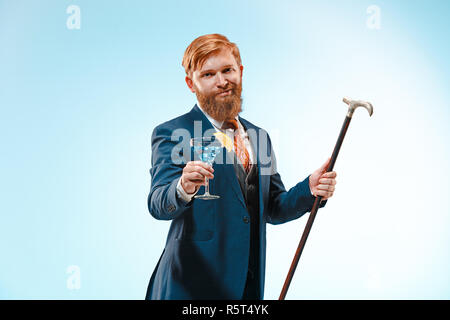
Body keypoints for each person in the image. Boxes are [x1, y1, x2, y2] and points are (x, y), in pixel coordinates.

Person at [145, 34, 337, 300]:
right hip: (189, 289)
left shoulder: (259, 137)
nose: (222, 81)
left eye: (227, 70)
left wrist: (310, 189)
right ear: (192, 83)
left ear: (240, 71)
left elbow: (273, 207)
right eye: (209, 75)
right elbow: (157, 203)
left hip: (246, 287)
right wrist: (182, 188)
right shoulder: (173, 132)